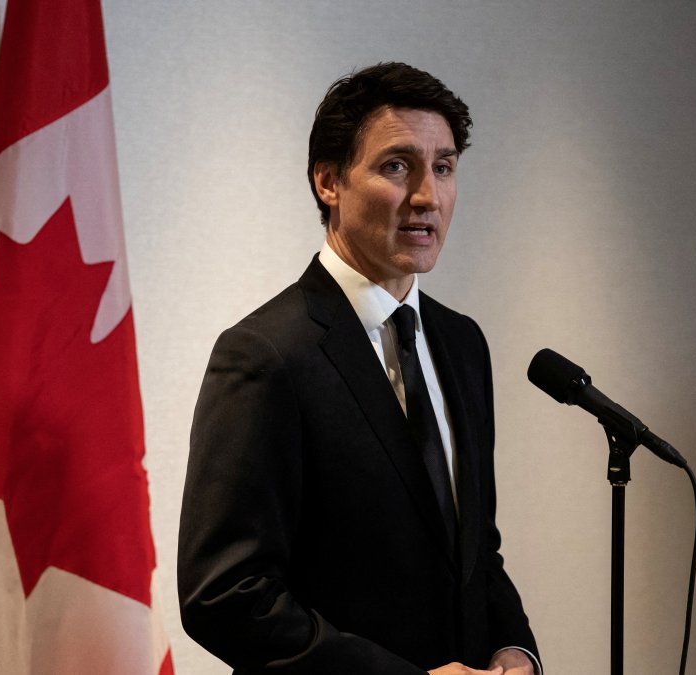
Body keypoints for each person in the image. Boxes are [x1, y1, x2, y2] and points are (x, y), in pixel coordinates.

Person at [177, 62, 541, 675]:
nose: (427, 196)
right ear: (328, 181)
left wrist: (515, 649)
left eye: (444, 167)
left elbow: (476, 549)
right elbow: (225, 596)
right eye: (397, 166)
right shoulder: (265, 355)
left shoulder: (462, 342)